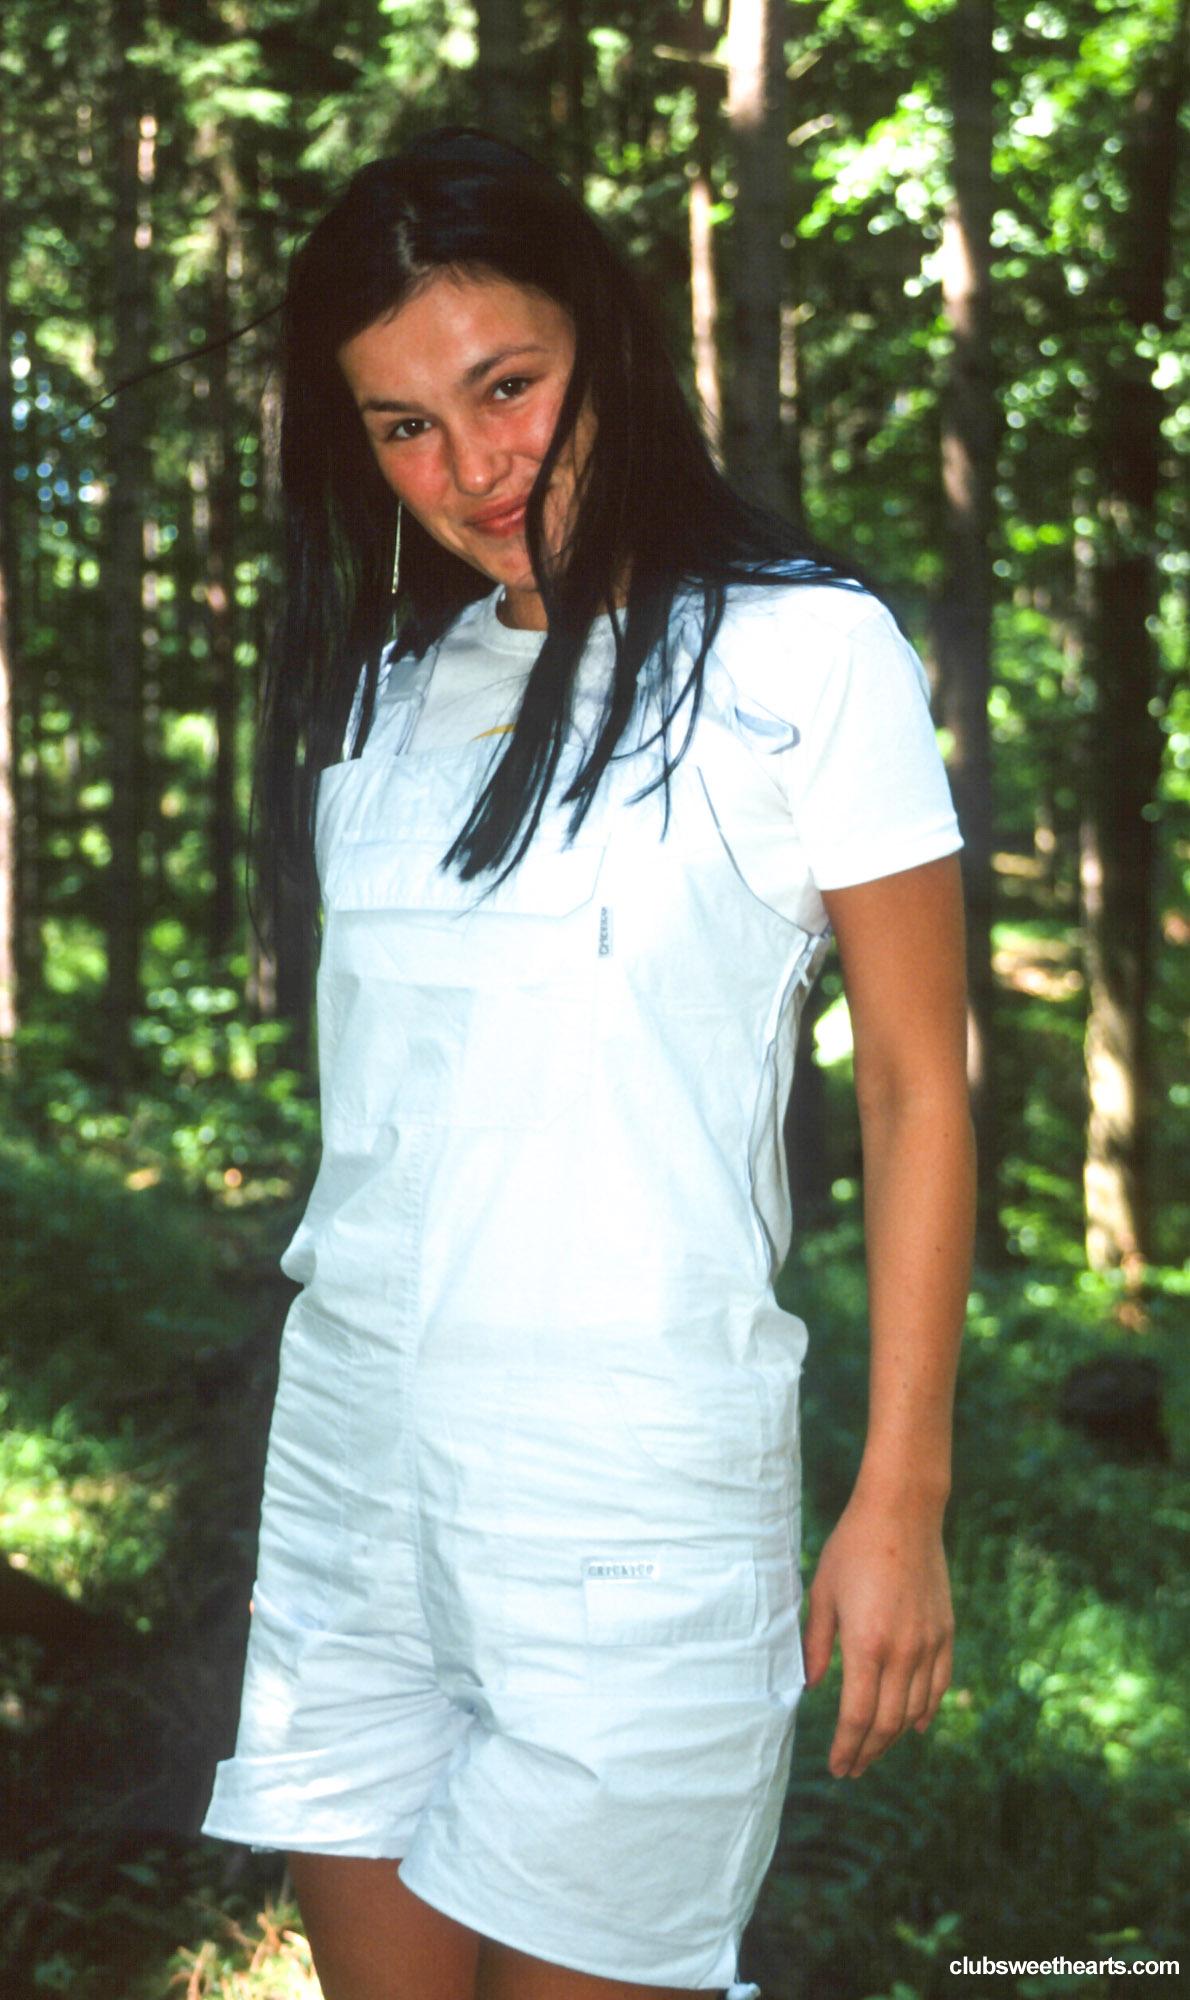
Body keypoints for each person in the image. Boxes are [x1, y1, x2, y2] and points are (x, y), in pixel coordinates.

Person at [201, 126, 975, 2000]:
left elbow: (914, 1087)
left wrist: (900, 1497)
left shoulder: (807, 657)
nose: (473, 467)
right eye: (403, 425)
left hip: (632, 1500)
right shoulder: (386, 693)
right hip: (354, 1472)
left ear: (605, 343)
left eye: (507, 386)